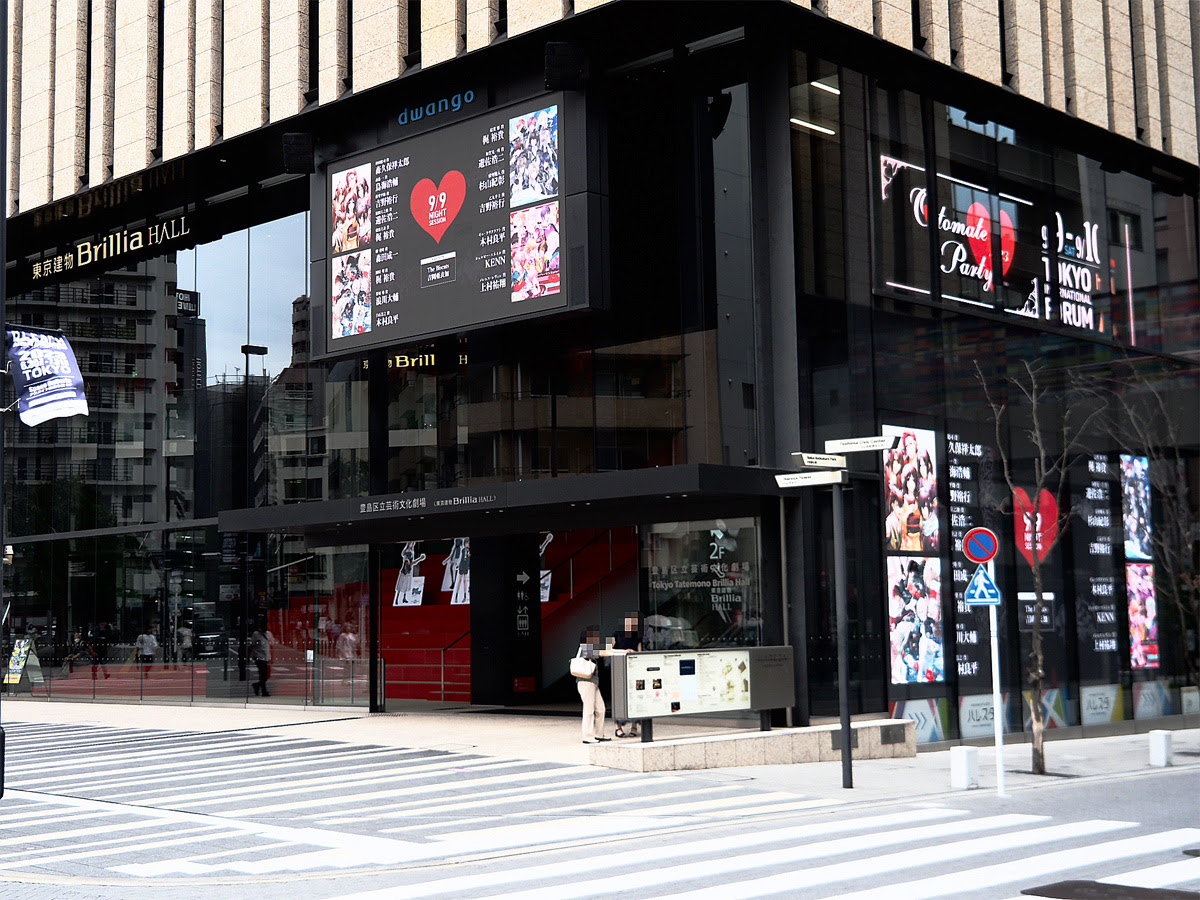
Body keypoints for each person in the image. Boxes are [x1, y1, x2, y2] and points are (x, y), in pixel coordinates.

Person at [575, 626, 614, 745]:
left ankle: (599, 734)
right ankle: (587, 736)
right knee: (589, 709)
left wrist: (622, 650)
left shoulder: (589, 648)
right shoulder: (585, 648)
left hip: (593, 682)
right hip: (585, 682)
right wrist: (618, 650)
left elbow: (605, 652)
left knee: (601, 709)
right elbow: (604, 653)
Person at [611, 613, 642, 738]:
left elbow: (640, 653)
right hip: (619, 668)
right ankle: (618, 727)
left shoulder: (637, 637)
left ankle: (634, 726)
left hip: (633, 668)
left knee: (634, 697)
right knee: (619, 697)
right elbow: (609, 650)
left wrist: (634, 653)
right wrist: (624, 651)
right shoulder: (616, 634)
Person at [249, 622, 272, 696]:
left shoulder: (269, 634)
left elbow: (271, 644)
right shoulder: (256, 634)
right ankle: (264, 691)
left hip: (267, 656)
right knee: (262, 674)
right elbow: (252, 645)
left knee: (265, 675)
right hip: (259, 656)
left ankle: (257, 685)